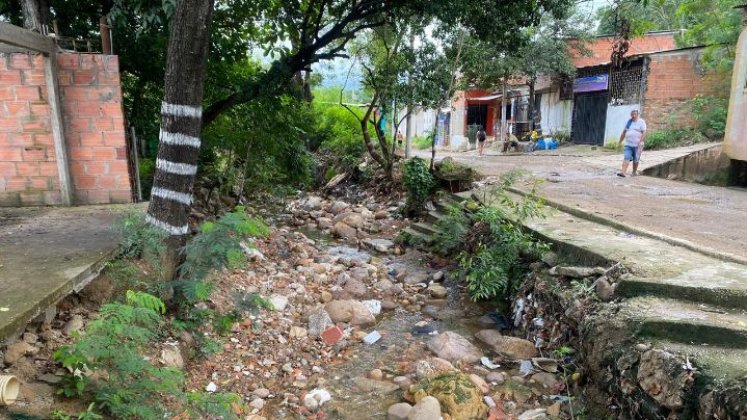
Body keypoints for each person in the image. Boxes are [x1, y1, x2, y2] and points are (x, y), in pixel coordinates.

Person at [617, 110, 647, 177]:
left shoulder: (641, 122)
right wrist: (619, 142)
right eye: (632, 114)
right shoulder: (629, 122)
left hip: (638, 145)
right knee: (626, 157)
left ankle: (634, 172)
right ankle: (623, 172)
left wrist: (641, 141)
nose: (633, 116)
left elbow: (644, 132)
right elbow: (624, 133)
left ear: (638, 114)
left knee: (636, 159)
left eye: (635, 114)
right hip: (628, 144)